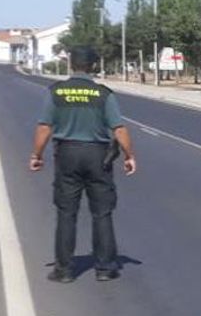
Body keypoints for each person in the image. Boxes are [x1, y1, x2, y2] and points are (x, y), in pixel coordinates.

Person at [29, 47, 137, 282]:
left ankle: (64, 270)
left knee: (67, 213)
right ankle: (106, 268)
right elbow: (118, 128)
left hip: (67, 155)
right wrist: (129, 155)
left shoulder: (56, 92)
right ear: (93, 67)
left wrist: (36, 155)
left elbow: (44, 127)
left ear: (71, 64)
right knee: (102, 213)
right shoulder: (103, 94)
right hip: (98, 156)